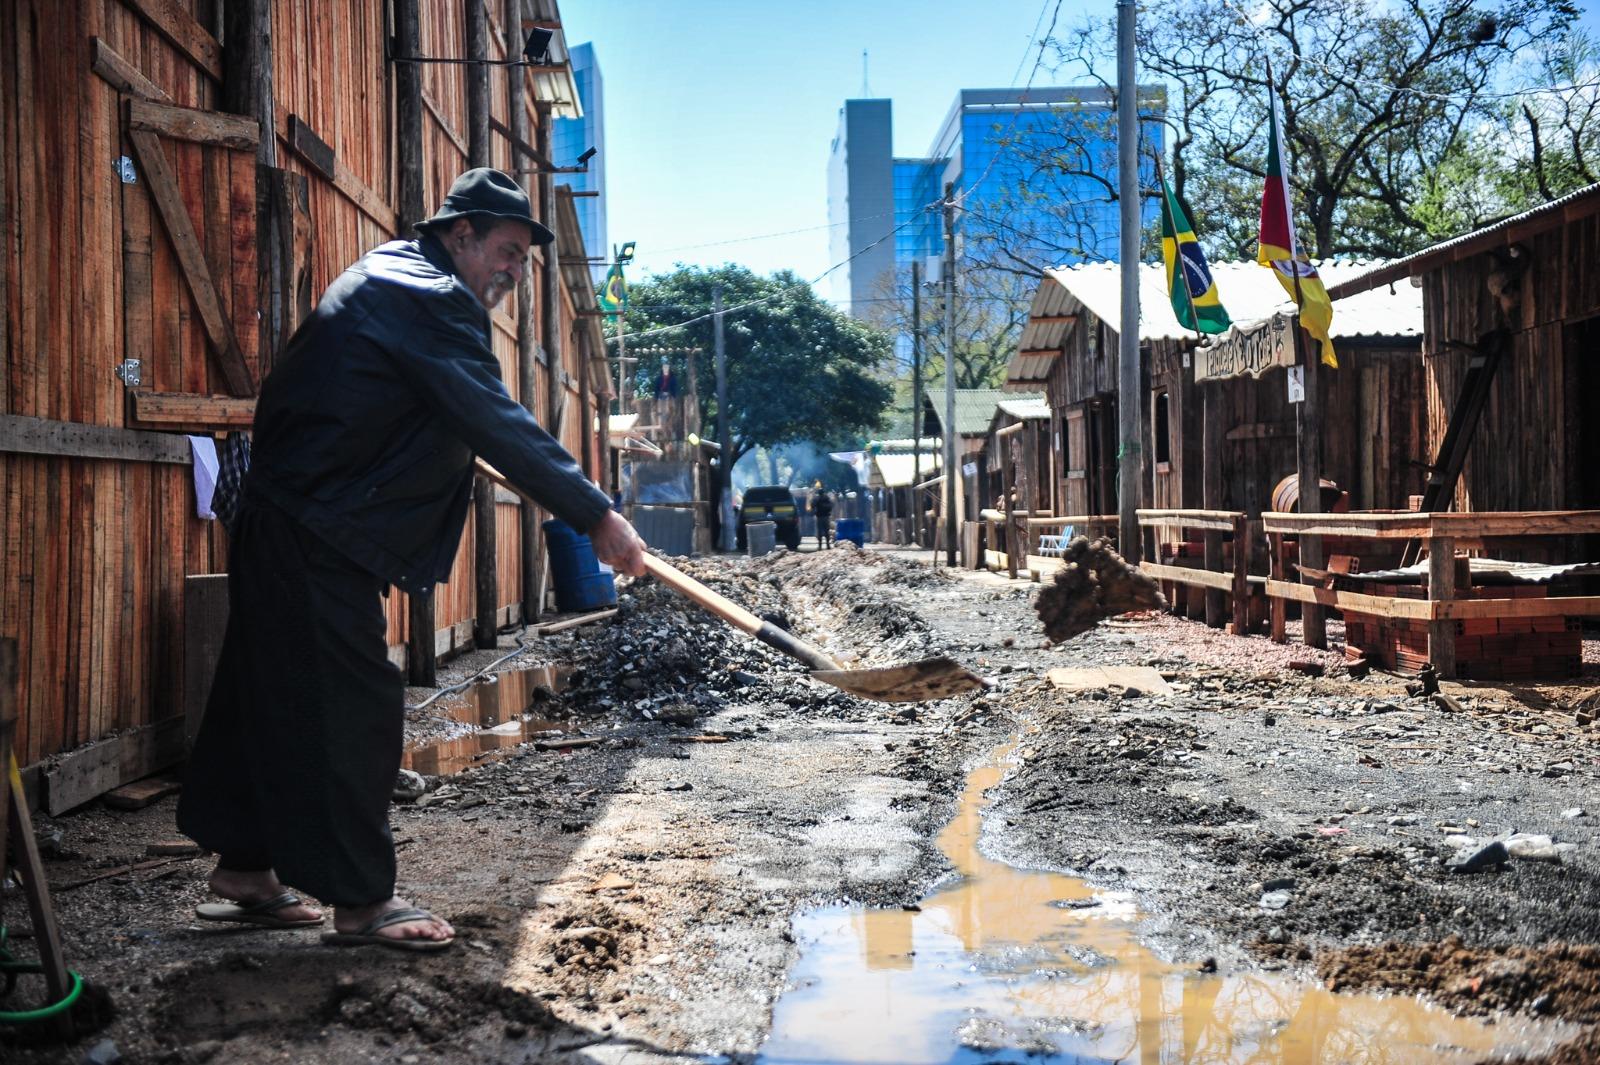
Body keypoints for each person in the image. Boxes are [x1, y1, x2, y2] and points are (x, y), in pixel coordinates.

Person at [177, 169, 647, 953]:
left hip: (294, 516)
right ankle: (362, 902)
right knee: (351, 705)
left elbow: (445, 414)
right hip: (312, 527)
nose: (511, 271)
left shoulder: (395, 278)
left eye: (523, 261)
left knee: (267, 692)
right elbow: (493, 417)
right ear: (458, 233)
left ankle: (247, 871)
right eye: (503, 250)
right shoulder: (427, 299)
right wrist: (595, 513)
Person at [811, 480, 834, 549]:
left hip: (819, 517)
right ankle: (828, 545)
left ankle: (820, 546)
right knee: (827, 531)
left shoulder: (817, 498)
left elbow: (812, 506)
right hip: (826, 517)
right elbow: (831, 505)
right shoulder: (827, 498)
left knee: (820, 532)